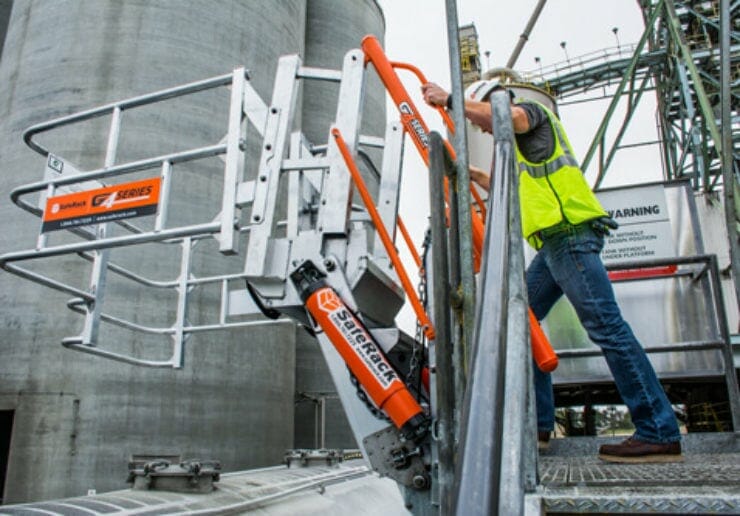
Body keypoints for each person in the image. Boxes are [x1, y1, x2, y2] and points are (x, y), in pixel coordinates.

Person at [421, 80, 682, 463]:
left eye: (485, 119)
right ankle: (539, 425)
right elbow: (516, 187)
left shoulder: (530, 113)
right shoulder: (522, 152)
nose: (485, 129)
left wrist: (450, 99)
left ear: (501, 102)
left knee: (607, 329)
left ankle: (658, 430)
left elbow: (507, 118)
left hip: (569, 237)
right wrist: (474, 175)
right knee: (521, 321)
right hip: (554, 245)